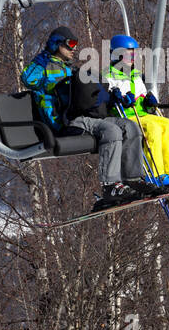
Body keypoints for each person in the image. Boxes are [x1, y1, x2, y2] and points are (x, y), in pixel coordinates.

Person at [21, 26, 158, 209]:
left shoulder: (72, 69)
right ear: (56, 44)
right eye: (70, 44)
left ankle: (133, 179)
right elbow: (27, 79)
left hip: (85, 115)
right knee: (111, 130)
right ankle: (110, 186)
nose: (74, 48)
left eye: (76, 44)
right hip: (66, 119)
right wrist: (45, 56)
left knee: (129, 127)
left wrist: (111, 97)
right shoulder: (45, 67)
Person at [105, 34, 169, 188]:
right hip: (125, 117)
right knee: (152, 129)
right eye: (129, 54)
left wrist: (148, 102)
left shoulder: (135, 75)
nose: (132, 57)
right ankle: (156, 174)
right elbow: (107, 99)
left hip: (141, 114)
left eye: (134, 53)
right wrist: (119, 99)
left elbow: (141, 100)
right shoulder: (108, 75)